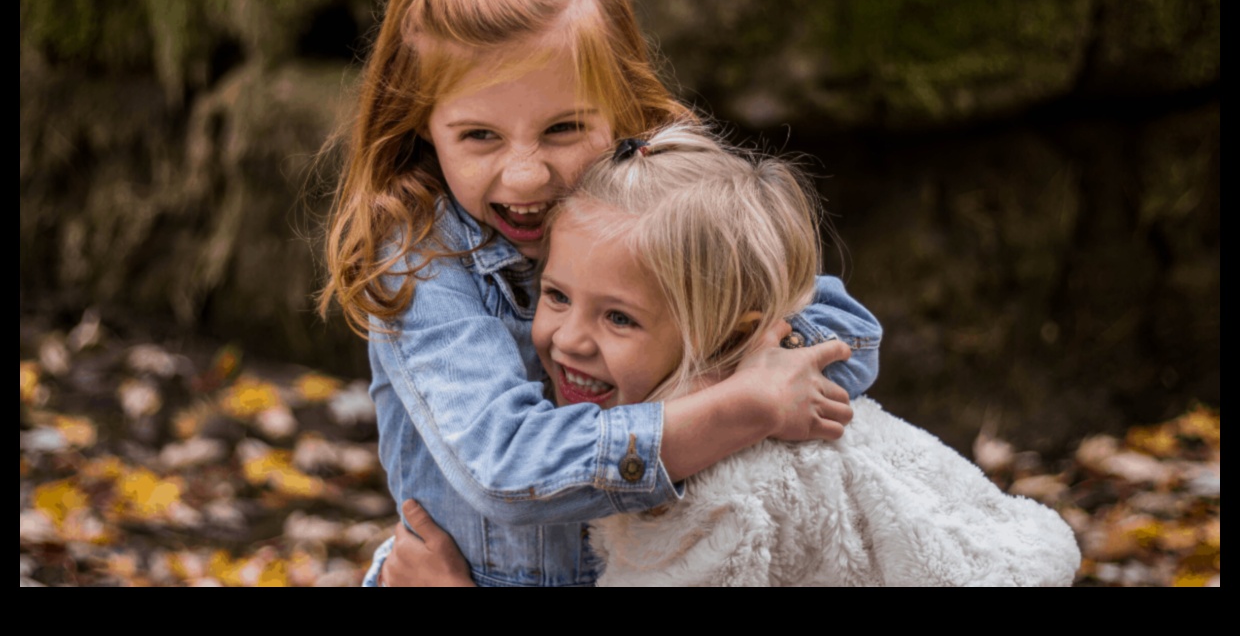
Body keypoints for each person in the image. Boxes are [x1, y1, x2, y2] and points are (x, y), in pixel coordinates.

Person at [317, 0, 882, 588]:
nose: (527, 174)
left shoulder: (660, 213)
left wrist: (740, 373)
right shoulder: (422, 261)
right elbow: (509, 467)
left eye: (563, 128)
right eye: (480, 136)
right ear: (423, 127)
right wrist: (740, 405)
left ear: (622, 108)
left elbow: (845, 337)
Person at [385, 124, 1081, 586]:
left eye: (620, 317)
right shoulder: (741, 402)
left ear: (727, 334)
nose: (567, 338)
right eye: (557, 296)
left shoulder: (727, 495)